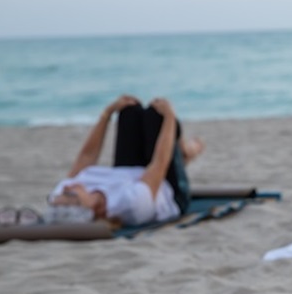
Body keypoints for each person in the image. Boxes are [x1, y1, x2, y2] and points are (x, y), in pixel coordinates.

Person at [48, 95, 204, 226]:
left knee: (129, 112)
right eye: (70, 195)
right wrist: (170, 115)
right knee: (156, 116)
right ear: (95, 209)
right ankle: (185, 152)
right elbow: (160, 163)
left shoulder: (65, 188)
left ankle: (182, 153)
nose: (67, 187)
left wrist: (107, 114)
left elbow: (86, 156)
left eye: (63, 192)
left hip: (128, 174)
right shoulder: (130, 205)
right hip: (165, 186)